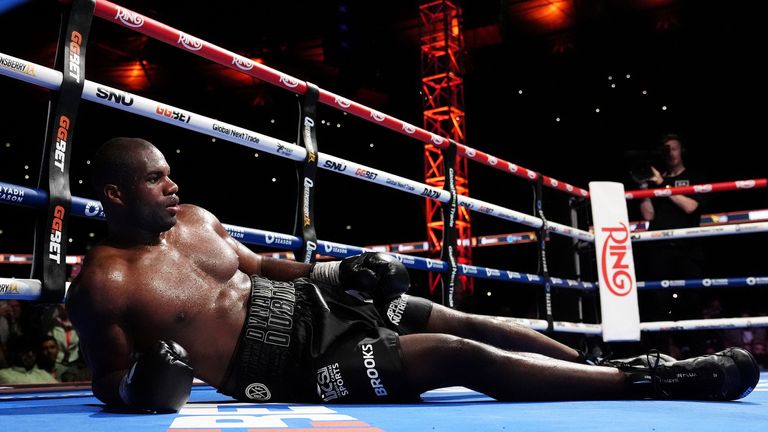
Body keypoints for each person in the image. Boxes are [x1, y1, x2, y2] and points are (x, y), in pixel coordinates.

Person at [65, 137, 758, 413]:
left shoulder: (194, 217)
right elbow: (107, 382)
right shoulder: (103, 286)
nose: (171, 185)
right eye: (155, 179)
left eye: (169, 175)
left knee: (466, 319)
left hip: (311, 305)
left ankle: (593, 360)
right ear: (116, 195)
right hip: (291, 364)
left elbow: (256, 264)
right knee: (458, 356)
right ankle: (657, 377)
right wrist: (143, 385)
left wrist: (341, 268)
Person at [633, 134, 707, 328]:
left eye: (673, 148)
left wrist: (662, 185)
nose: (671, 153)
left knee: (692, 301)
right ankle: (664, 352)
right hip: (660, 249)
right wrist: (643, 187)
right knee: (659, 303)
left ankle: (697, 352)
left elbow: (691, 206)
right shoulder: (656, 180)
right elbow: (648, 215)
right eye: (666, 150)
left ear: (681, 150)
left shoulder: (694, 176)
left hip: (688, 247)